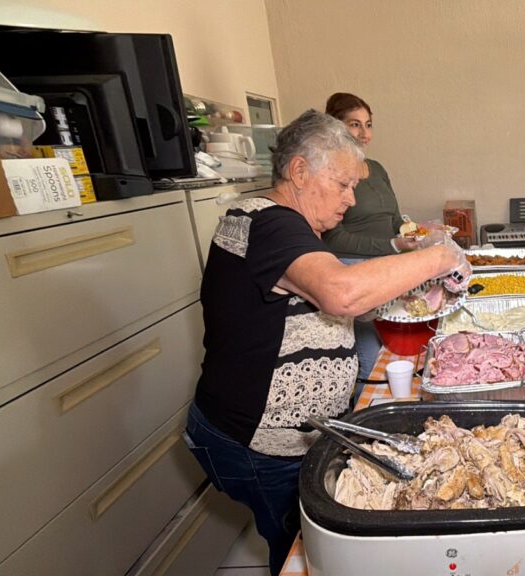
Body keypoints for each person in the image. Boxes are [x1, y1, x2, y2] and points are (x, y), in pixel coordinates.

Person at [184, 109, 469, 575]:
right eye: (342, 185)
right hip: (257, 441)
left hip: (290, 432)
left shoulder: (292, 229)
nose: (351, 200)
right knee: (304, 551)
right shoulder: (267, 222)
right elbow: (341, 293)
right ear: (299, 171)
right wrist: (440, 256)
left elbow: (329, 298)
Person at [321, 92, 416, 383]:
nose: (364, 133)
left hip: (388, 272)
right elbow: (333, 239)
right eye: (354, 124)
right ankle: (362, 421)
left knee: (395, 354)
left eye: (368, 124)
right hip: (355, 273)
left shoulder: (376, 168)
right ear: (334, 127)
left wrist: (414, 232)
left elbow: (395, 219)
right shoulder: (329, 173)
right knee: (370, 359)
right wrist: (390, 245)